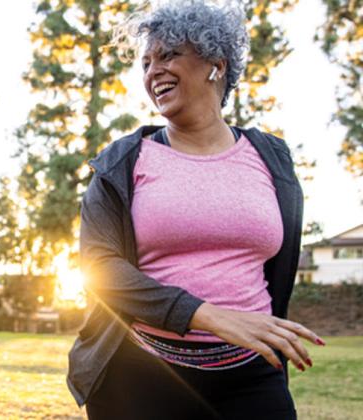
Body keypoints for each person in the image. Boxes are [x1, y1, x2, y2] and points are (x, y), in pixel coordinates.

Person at [67, 1, 324, 419]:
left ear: (215, 64)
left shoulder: (271, 157)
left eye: (168, 55)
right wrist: (210, 317)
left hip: (252, 375)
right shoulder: (122, 162)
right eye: (146, 62)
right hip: (143, 377)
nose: (152, 72)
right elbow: (101, 270)